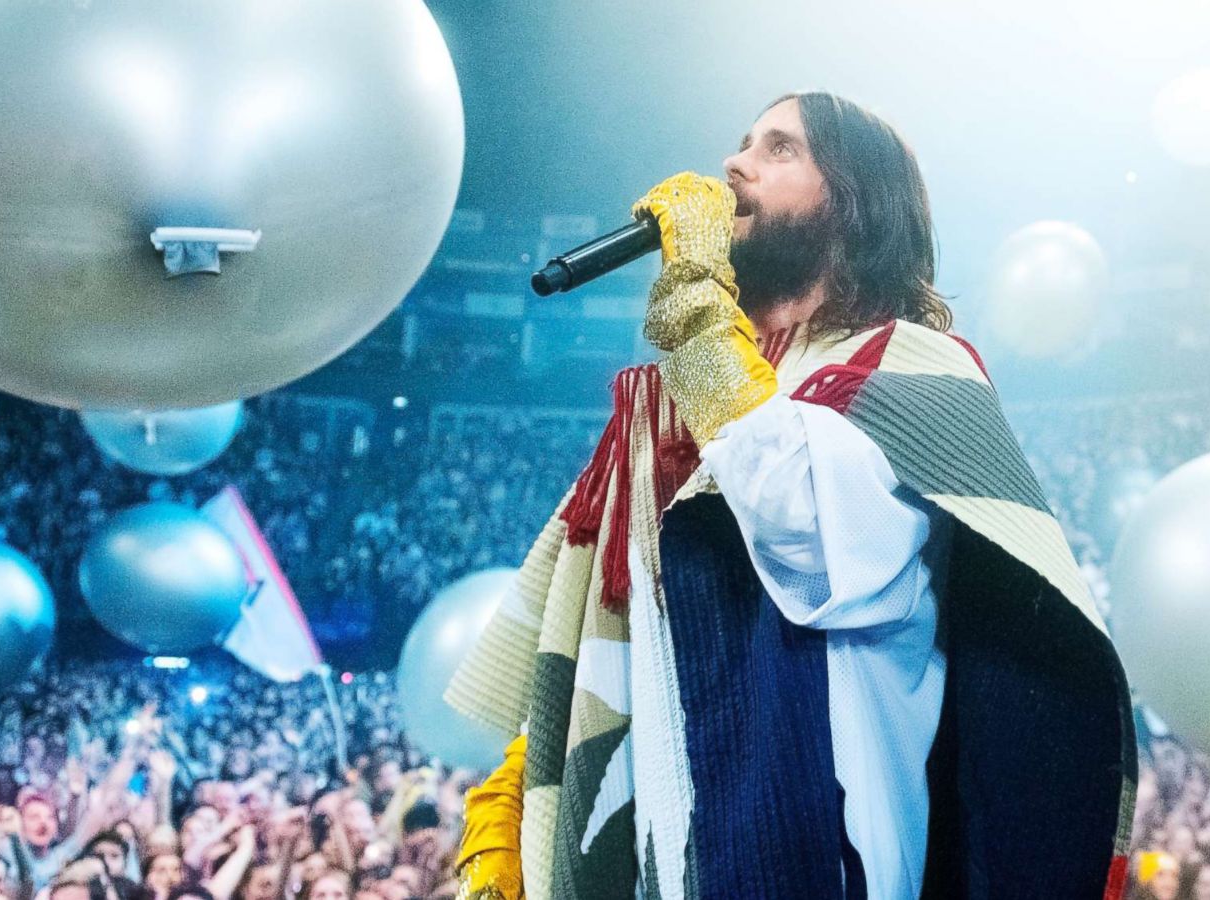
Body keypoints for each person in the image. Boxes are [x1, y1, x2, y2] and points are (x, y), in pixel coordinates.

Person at [449, 91, 1136, 899]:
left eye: (780, 149)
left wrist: (698, 300)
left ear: (853, 204)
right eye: (742, 142)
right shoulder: (665, 419)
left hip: (813, 858)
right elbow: (604, 632)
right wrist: (523, 797)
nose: (734, 165)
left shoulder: (914, 369)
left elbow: (805, 540)